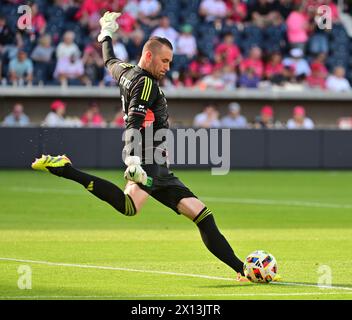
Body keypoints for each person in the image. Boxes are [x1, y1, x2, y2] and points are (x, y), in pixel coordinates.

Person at [31, 11, 250, 282]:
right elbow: (133, 121)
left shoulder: (126, 72)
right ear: (149, 56)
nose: (167, 67)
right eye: (165, 61)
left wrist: (106, 34)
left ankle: (242, 270)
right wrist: (133, 160)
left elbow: (109, 59)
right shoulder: (147, 83)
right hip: (149, 159)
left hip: (154, 161)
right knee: (188, 214)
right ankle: (243, 270)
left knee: (171, 211)